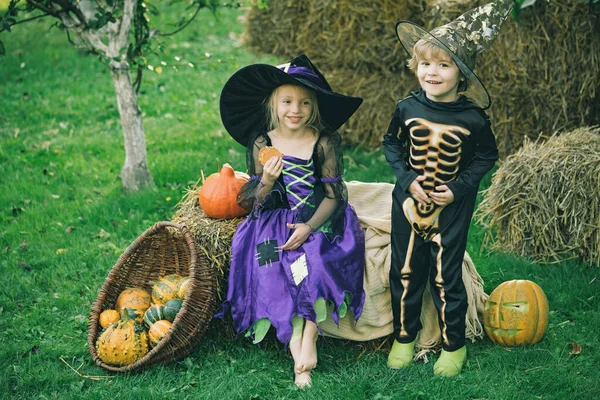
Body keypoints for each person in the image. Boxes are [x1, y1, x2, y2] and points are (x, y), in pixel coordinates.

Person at [217, 54, 365, 388]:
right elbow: (255, 199)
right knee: (271, 264)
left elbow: (333, 196)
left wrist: (309, 227)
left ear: (314, 107)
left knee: (312, 262)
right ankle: (294, 340)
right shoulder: (263, 142)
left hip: (318, 219)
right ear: (273, 103)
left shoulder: (323, 141)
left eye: (304, 102)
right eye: (287, 101)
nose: (294, 109)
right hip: (272, 223)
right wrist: (268, 180)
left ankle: (308, 335)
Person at [383, 0, 514, 377]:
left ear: (462, 75)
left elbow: (486, 157)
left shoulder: (473, 118)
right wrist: (407, 181)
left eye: (444, 65)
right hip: (407, 204)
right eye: (425, 64)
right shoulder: (406, 108)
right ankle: (404, 337)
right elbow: (391, 144)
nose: (432, 72)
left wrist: (457, 189)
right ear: (416, 67)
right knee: (405, 272)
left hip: (450, 210)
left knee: (445, 275)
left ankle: (453, 344)